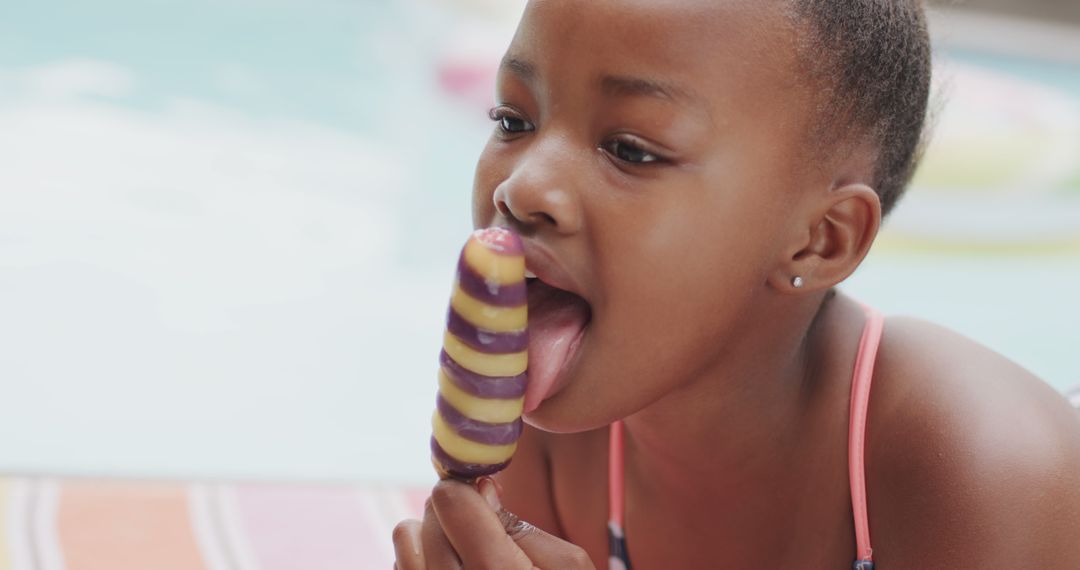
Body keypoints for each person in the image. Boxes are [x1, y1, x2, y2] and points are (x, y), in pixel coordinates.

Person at [393, 1, 1080, 568]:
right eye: (513, 120)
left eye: (631, 149)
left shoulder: (984, 468)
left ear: (822, 237)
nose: (523, 186)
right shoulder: (556, 441)